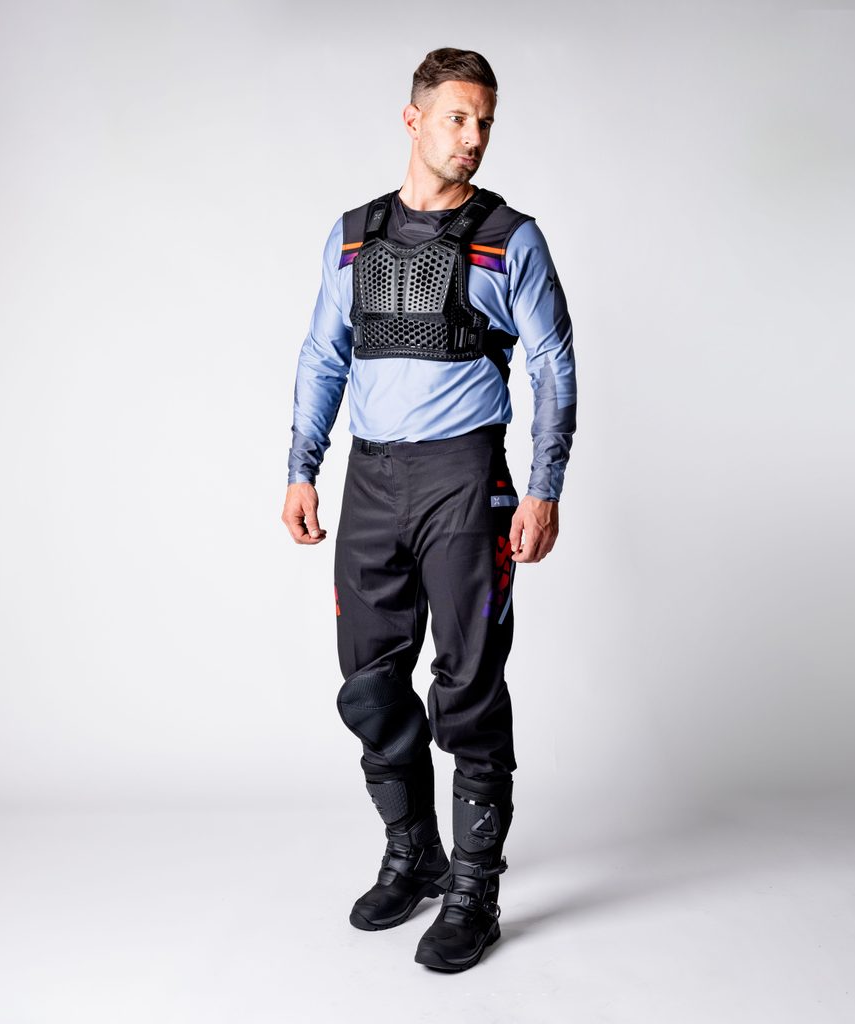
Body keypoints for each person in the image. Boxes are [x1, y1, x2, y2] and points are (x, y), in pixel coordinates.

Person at [281, 47, 576, 972]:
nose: (474, 136)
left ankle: (475, 890)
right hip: (371, 479)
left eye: (485, 121)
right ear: (413, 120)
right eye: (457, 117)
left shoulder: (510, 238)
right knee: (369, 683)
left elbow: (554, 367)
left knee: (469, 685)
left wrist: (544, 487)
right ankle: (413, 855)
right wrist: (301, 467)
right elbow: (323, 355)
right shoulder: (354, 236)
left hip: (465, 482)